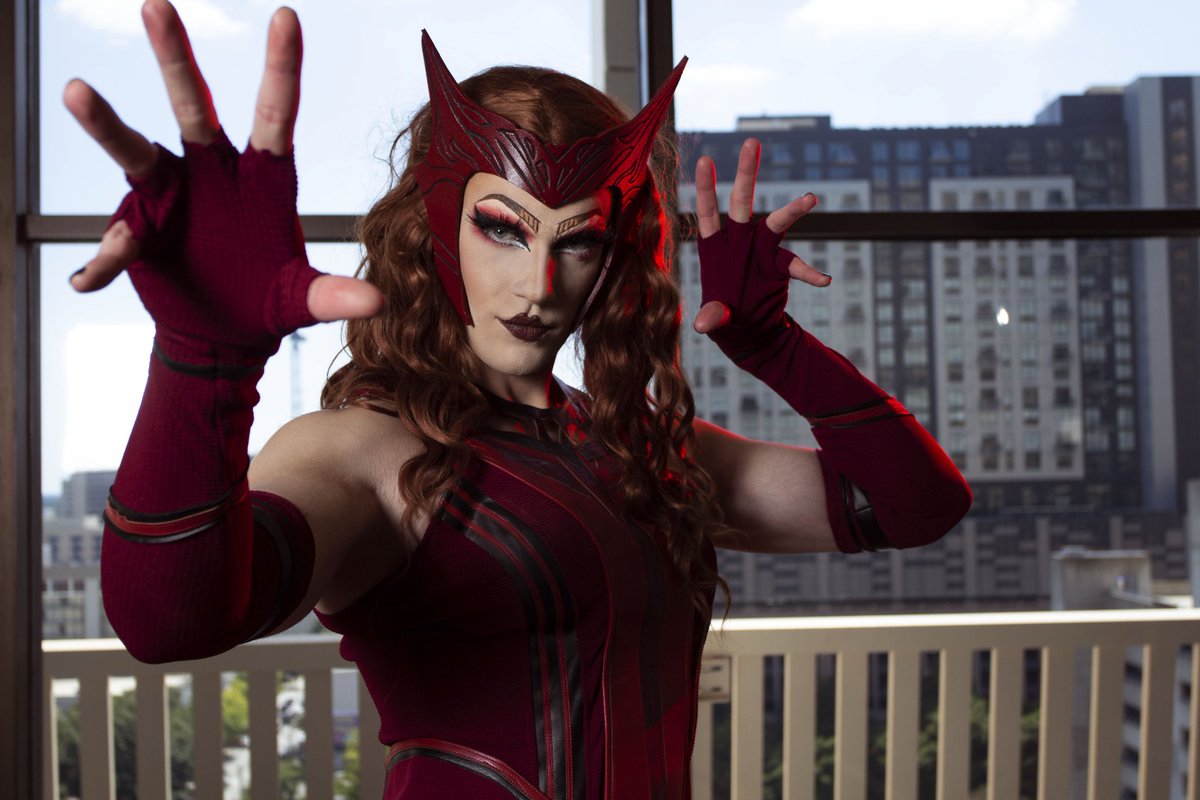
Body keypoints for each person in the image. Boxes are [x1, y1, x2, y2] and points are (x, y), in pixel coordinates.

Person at [65, 2, 972, 797]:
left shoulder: (640, 448)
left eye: (577, 242)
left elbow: (919, 505)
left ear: (613, 256)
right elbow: (166, 621)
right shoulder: (360, 448)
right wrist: (202, 361)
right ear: (436, 227)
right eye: (503, 228)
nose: (539, 283)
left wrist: (776, 347)